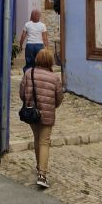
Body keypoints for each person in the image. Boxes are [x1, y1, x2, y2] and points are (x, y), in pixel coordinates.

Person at [19, 48, 63, 189]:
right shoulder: (54, 78)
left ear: (37, 59)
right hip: (48, 114)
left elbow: (22, 93)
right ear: (50, 61)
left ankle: (39, 167)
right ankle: (42, 175)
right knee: (44, 141)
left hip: (32, 113)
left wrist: (29, 102)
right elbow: (59, 98)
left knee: (37, 139)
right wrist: (51, 106)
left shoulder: (29, 73)